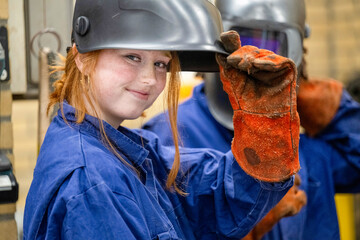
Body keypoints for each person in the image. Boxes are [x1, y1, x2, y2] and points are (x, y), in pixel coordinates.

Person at [22, 0, 302, 239]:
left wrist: (265, 127)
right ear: (81, 58)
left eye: (160, 64)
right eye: (132, 56)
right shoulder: (91, 183)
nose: (148, 79)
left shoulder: (128, 151)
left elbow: (216, 196)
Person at [143, 0, 360, 239]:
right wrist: (250, 221)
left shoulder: (303, 140)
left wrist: (314, 99)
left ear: (298, 49)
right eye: (246, 42)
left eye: (272, 42)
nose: (259, 57)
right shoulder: (171, 133)